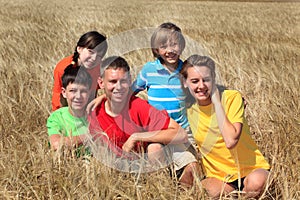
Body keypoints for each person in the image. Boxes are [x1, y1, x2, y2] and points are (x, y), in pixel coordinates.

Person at [88, 56, 200, 184]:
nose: (119, 87)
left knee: (157, 149)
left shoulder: (138, 106)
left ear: (130, 80)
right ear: (101, 83)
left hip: (145, 160)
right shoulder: (94, 111)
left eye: (123, 81)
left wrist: (137, 137)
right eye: (113, 82)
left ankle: (165, 187)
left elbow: (180, 133)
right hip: (118, 166)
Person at [180, 54, 270, 198]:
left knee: (257, 183)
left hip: (251, 169)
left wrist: (217, 103)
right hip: (219, 176)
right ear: (185, 82)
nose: (201, 86)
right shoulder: (187, 109)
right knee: (208, 192)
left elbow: (230, 141)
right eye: (195, 81)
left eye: (206, 80)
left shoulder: (231, 97)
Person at [51, 31, 107, 111]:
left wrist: (101, 97)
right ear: (79, 49)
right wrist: (59, 117)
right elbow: (58, 96)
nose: (94, 58)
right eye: (90, 51)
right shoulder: (62, 68)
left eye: (99, 55)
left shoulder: (99, 68)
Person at [47, 65, 92, 154]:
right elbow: (56, 145)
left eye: (83, 91)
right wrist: (90, 137)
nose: (78, 96)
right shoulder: (57, 117)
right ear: (64, 93)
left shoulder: (98, 114)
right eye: (72, 91)